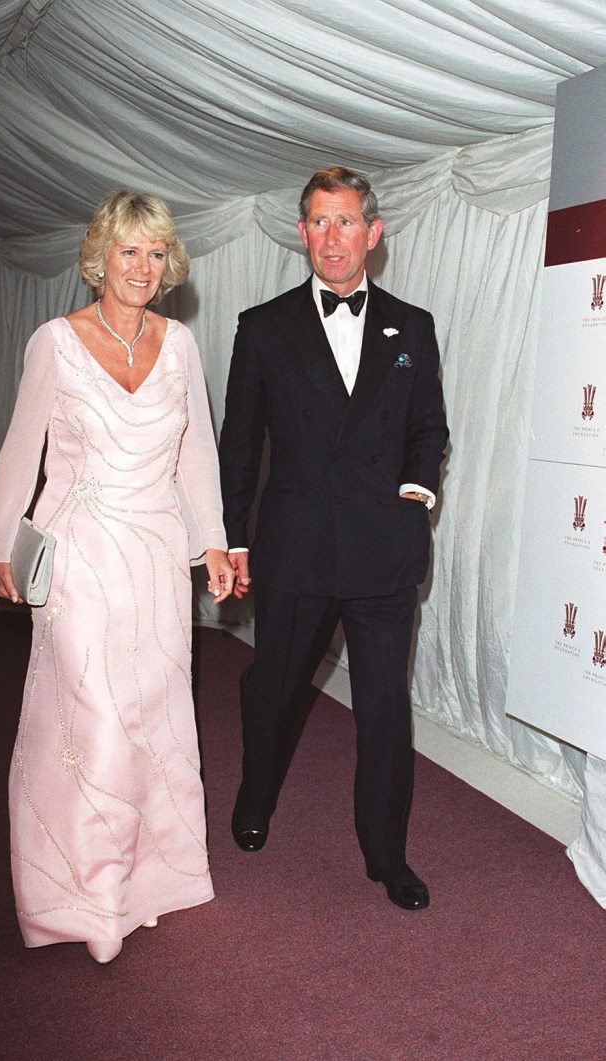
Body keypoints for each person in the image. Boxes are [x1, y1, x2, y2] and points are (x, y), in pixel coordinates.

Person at [0, 190, 234, 963]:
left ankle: (147, 881)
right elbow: (24, 448)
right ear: (99, 257)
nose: (144, 268)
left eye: (156, 253)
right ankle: (87, 896)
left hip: (155, 556)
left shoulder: (180, 344)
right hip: (80, 550)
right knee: (92, 721)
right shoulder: (54, 340)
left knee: (152, 717)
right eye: (129, 251)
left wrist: (213, 542)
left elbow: (196, 452)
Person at [219, 166, 448, 911]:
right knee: (274, 688)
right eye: (319, 221)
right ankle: (257, 793)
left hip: (384, 552)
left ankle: (388, 856)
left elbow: (428, 428)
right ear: (302, 232)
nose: (332, 237)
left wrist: (414, 496)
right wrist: (234, 536)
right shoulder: (264, 325)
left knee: (385, 708)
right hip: (297, 549)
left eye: (346, 221)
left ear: (373, 234)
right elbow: (240, 442)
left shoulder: (411, 326)